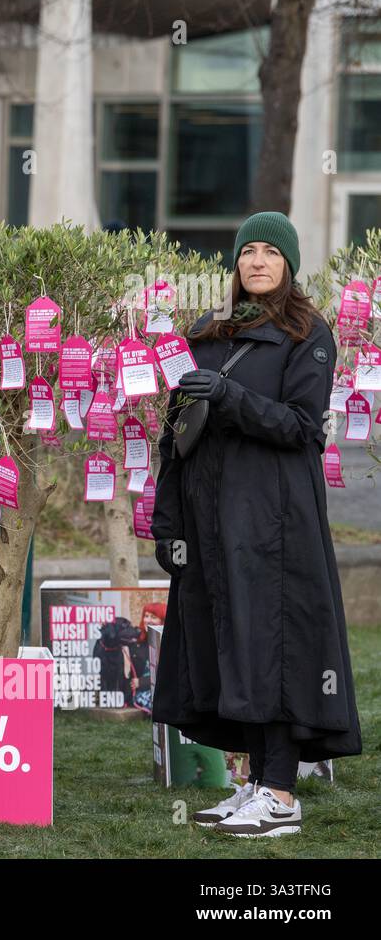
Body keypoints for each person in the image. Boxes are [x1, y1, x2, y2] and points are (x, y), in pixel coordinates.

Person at [152, 211, 362, 838]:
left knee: (273, 650)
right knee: (228, 647)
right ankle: (254, 783)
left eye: (271, 251)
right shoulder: (207, 332)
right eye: (248, 251)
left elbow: (302, 427)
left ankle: (281, 794)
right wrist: (169, 522)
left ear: (289, 263)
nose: (258, 261)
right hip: (209, 520)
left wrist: (229, 396)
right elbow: (176, 436)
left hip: (274, 523)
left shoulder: (308, 333)